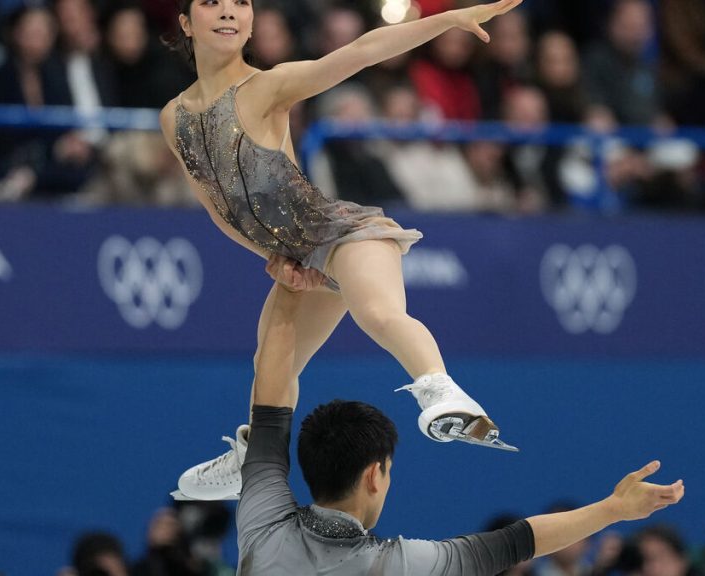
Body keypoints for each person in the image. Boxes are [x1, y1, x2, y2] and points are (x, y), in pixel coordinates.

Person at [161, 0, 526, 501]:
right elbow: (219, 206)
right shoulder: (174, 117)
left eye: (240, 3)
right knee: (272, 359)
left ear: (250, 24)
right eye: (211, 3)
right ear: (185, 22)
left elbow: (362, 51)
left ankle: (444, 396)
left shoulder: (267, 85)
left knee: (377, 312)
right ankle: (256, 456)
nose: (228, 12)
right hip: (297, 256)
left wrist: (444, 21)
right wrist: (281, 261)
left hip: (338, 231)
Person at [234, 281, 685, 574]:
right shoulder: (399, 565)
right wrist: (612, 509)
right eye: (389, 471)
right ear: (375, 474)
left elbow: (270, 400)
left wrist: (289, 287)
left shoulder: (263, 523)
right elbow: (518, 542)